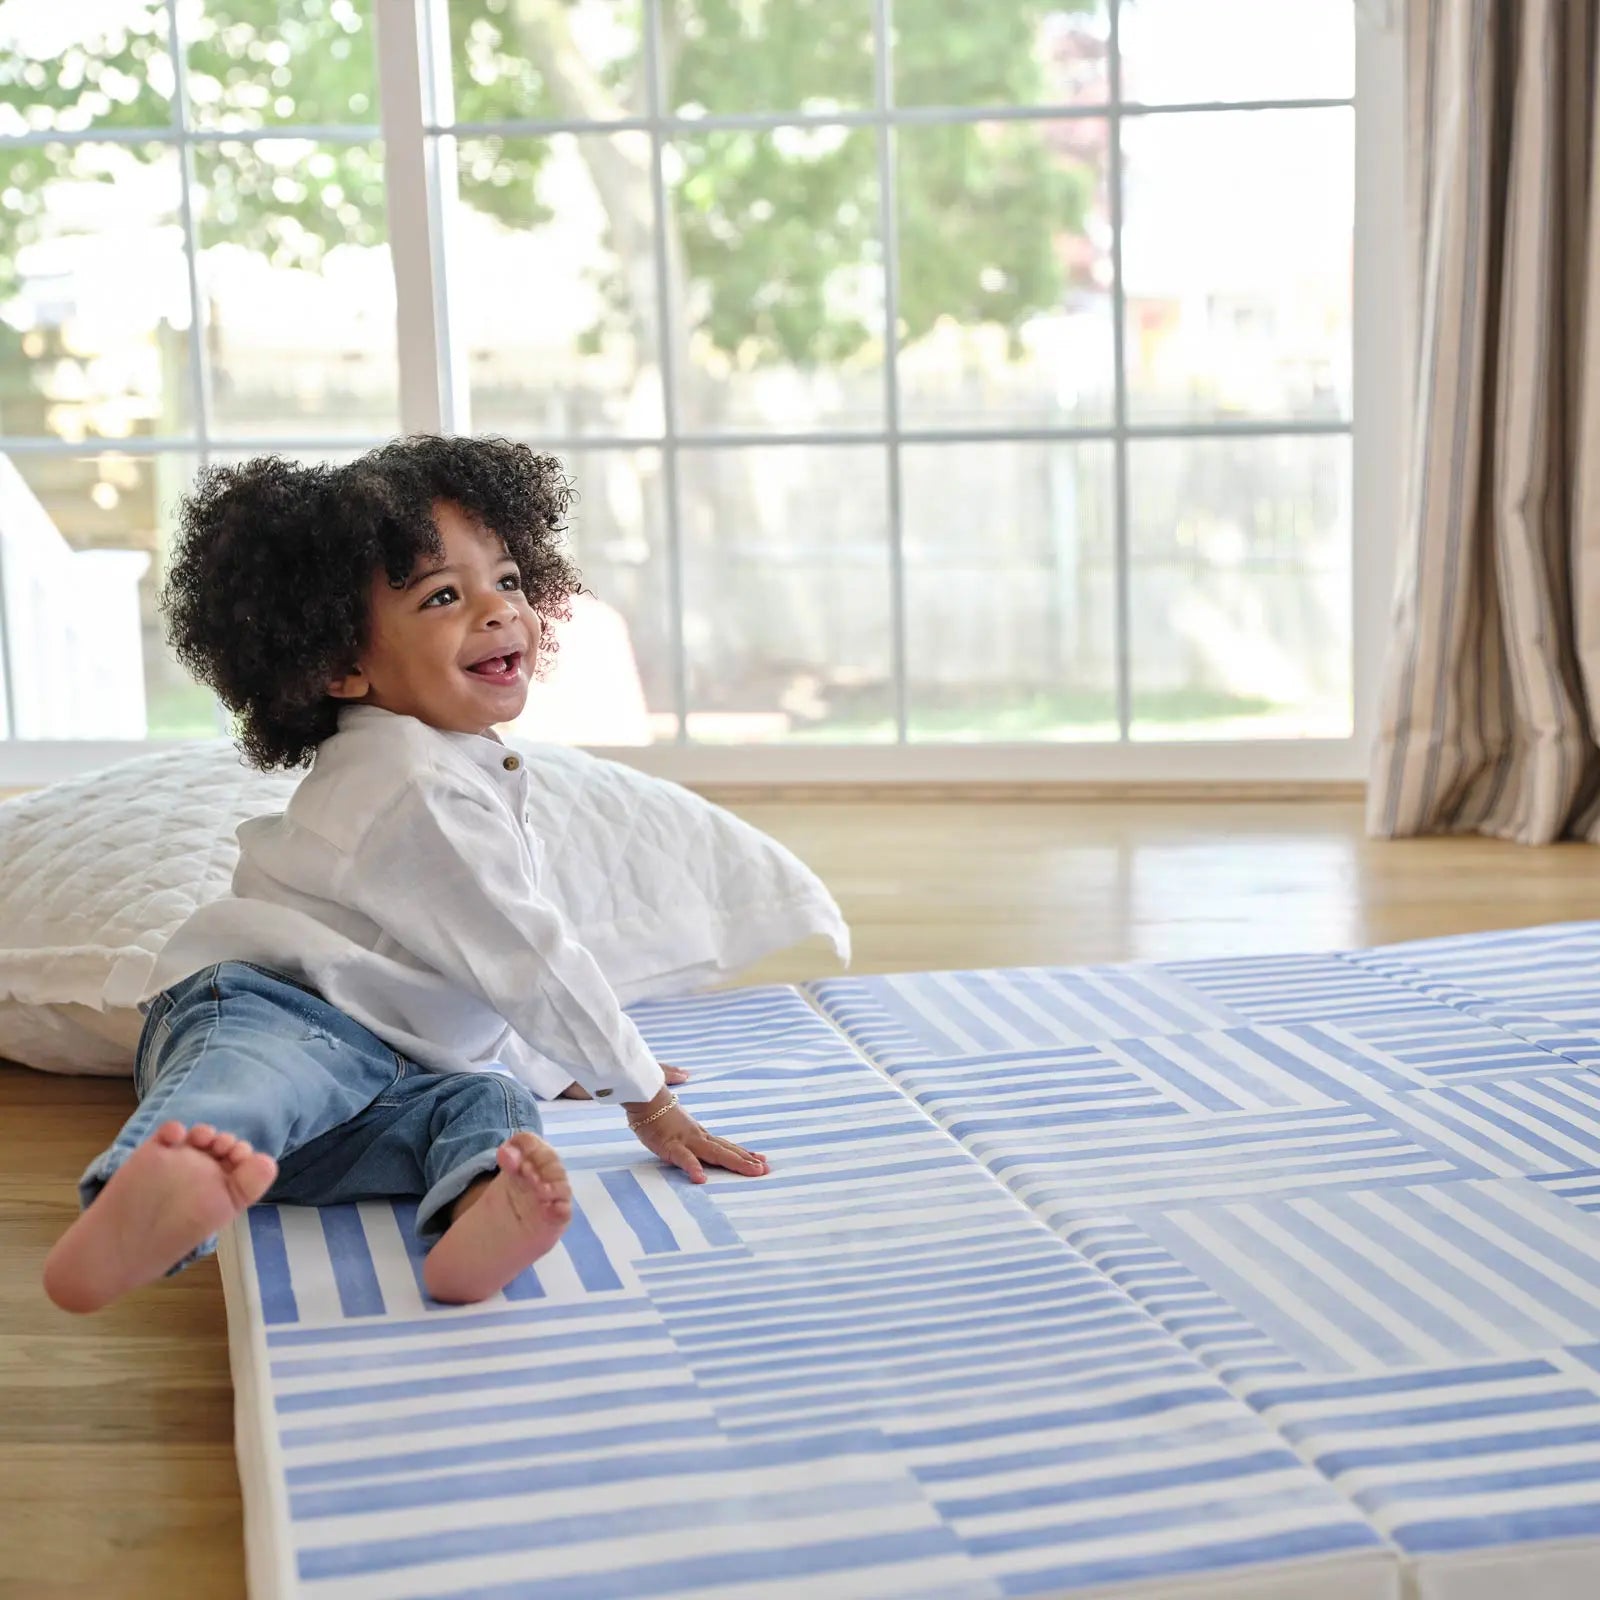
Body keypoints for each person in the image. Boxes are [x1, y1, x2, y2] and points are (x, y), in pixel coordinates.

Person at [43, 436, 767, 1314]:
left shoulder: (461, 765)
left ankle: (480, 1212)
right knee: (256, 1080)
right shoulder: (410, 781)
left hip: (380, 1089)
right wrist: (641, 1097)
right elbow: (526, 955)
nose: (498, 611)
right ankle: (161, 1190)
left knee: (489, 1105)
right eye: (443, 596)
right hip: (283, 1011)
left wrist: (548, 1063)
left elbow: (470, 966)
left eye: (507, 579)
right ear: (341, 665)